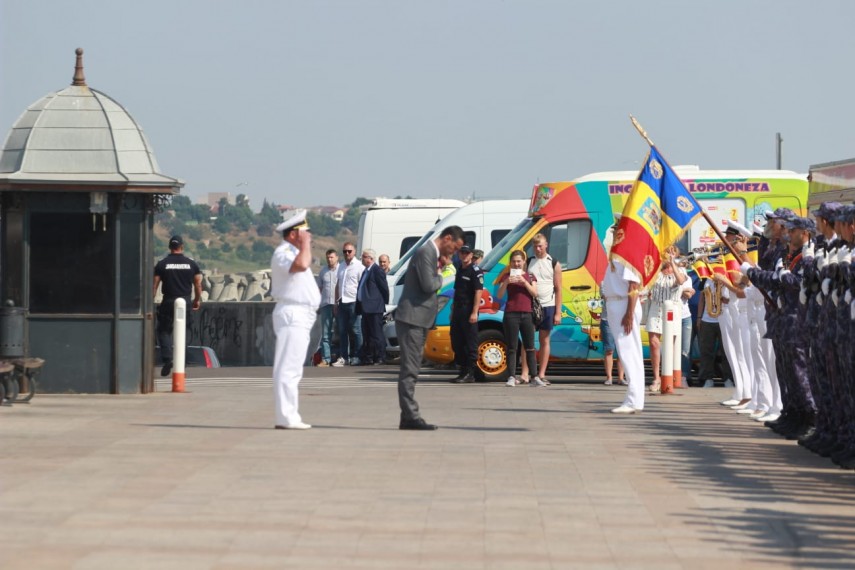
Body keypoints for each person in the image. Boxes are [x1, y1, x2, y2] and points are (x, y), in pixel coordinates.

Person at [396, 225, 465, 430]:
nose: (452, 253)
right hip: (412, 319)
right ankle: (410, 416)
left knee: (413, 368)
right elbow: (429, 285)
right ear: (447, 238)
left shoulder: (429, 253)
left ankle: (408, 415)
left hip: (419, 319)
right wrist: (442, 273)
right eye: (454, 248)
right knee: (410, 369)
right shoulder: (426, 252)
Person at [270, 210, 320, 430]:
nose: (309, 236)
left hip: (301, 314)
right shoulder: (284, 252)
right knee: (288, 367)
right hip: (293, 312)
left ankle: (289, 414)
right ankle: (286, 416)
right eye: (304, 232)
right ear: (293, 234)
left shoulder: (294, 251)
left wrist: (303, 245)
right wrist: (305, 245)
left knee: (294, 368)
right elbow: (300, 265)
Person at [153, 235, 202, 377]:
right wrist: (197, 300)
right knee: (184, 331)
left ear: (170, 247)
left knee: (164, 331)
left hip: (168, 301)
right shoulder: (191, 264)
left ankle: (168, 359)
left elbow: (154, 286)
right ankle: (182, 361)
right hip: (185, 301)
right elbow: (198, 284)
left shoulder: (162, 264)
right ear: (182, 247)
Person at [602, 256, 643, 414]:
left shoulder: (627, 256)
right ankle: (635, 399)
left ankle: (633, 400)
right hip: (616, 304)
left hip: (624, 304)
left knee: (629, 353)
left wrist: (629, 314)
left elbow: (634, 285)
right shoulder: (616, 257)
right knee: (626, 353)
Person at [497, 250, 545, 387]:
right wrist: (506, 282)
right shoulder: (506, 276)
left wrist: (524, 282)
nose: (516, 264)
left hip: (527, 313)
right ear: (510, 263)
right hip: (511, 313)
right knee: (512, 347)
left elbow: (535, 293)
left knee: (530, 346)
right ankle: (511, 376)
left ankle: (534, 377)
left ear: (524, 262)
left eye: (519, 261)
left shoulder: (530, 276)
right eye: (514, 261)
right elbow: (500, 295)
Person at [520, 234, 562, 385]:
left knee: (545, 340)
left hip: (548, 305)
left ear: (546, 245)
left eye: (540, 246)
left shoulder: (554, 263)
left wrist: (558, 312)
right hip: (531, 305)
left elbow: (558, 289)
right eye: (535, 246)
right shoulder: (529, 262)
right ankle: (525, 374)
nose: (538, 249)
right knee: (527, 340)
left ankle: (541, 374)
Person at [644, 247, 688, 392]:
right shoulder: (657, 273)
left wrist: (672, 263)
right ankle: (656, 377)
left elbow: (680, 281)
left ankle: (670, 376)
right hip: (656, 307)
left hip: (672, 309)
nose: (668, 254)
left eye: (672, 252)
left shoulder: (680, 271)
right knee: (654, 343)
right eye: (666, 251)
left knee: (671, 345)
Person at [449, 245, 484, 383]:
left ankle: (470, 372)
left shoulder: (475, 271)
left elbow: (478, 292)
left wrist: (475, 312)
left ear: (471, 255)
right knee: (457, 341)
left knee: (470, 342)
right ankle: (463, 370)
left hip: (469, 309)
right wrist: (453, 310)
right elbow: (457, 291)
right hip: (458, 309)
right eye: (462, 253)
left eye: (466, 253)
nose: (464, 255)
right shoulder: (460, 269)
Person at [357, 248, 390, 365]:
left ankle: (380, 356)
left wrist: (381, 302)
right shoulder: (366, 271)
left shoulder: (377, 270)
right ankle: (369, 356)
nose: (362, 259)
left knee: (377, 334)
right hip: (366, 308)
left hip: (375, 307)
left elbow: (384, 288)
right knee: (368, 334)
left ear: (370, 259)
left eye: (364, 256)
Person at [334, 241, 364, 366]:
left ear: (354, 252)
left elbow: (362, 285)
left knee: (356, 330)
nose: (347, 253)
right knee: (342, 330)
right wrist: (335, 302)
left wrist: (361, 302)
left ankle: (357, 356)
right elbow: (338, 284)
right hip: (342, 301)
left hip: (354, 301)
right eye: (345, 251)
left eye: (349, 251)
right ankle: (344, 357)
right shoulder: (340, 266)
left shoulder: (359, 266)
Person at [317, 249, 339, 367]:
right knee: (326, 334)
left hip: (339, 305)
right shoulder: (323, 272)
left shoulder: (341, 270)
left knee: (342, 332)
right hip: (326, 304)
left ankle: (344, 357)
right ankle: (326, 359)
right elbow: (319, 288)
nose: (329, 260)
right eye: (328, 258)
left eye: (331, 257)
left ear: (337, 258)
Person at [600, 300, 625, 385]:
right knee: (609, 349)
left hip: (623, 320)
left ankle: (621, 378)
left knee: (621, 350)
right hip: (607, 320)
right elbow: (607, 297)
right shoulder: (605, 285)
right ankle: (609, 377)